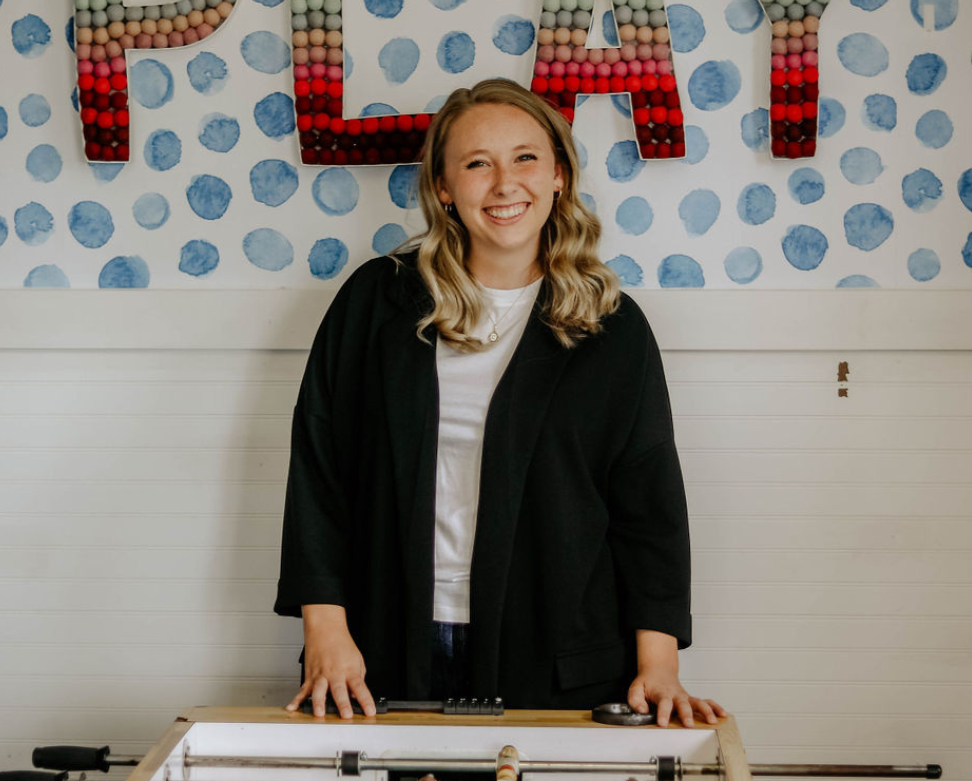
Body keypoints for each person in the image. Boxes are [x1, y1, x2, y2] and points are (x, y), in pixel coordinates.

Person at [275, 77, 724, 730]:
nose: (505, 182)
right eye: (477, 164)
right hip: (380, 650)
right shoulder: (376, 303)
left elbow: (648, 508)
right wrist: (325, 628)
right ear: (443, 189)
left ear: (559, 176)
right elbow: (321, 473)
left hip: (558, 656)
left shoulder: (611, 327)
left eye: (525, 158)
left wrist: (659, 665)